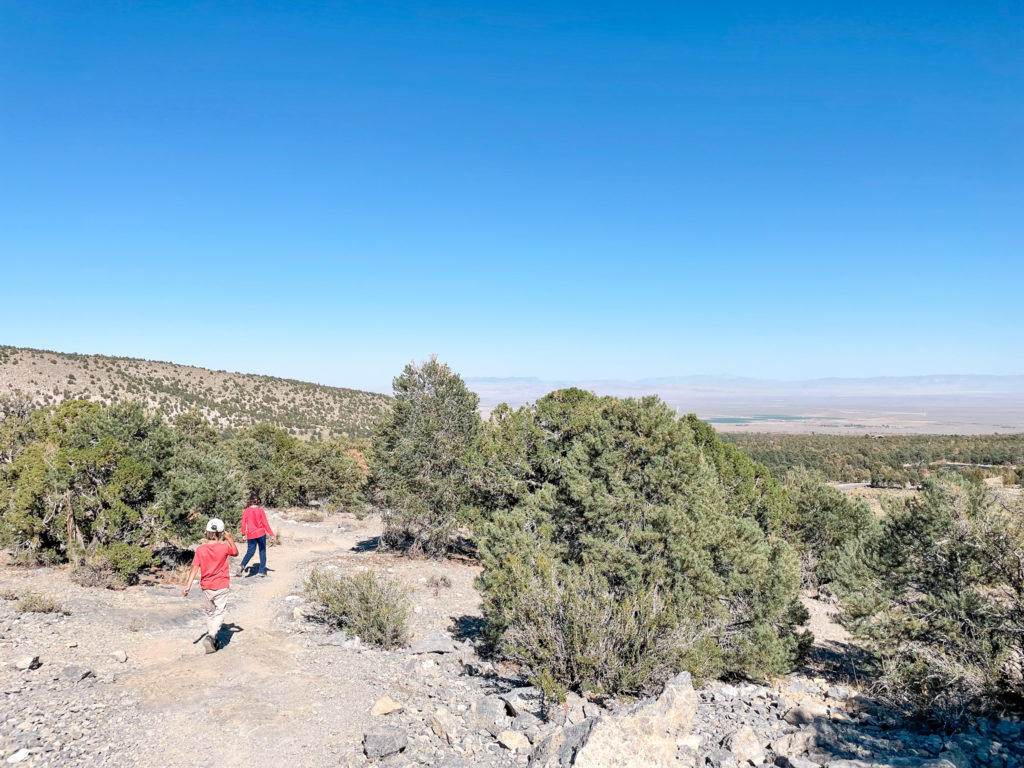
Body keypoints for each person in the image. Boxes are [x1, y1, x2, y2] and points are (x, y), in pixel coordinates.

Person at [182, 518, 238, 653]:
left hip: (206, 586)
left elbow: (194, 568)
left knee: (209, 611)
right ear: (221, 533)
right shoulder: (224, 547)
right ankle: (212, 635)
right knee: (220, 611)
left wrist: (188, 586)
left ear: (206, 533)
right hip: (221, 584)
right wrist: (229, 539)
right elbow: (235, 552)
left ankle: (211, 637)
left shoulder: (200, 549)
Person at [238, 494, 274, 578]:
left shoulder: (246, 511)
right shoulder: (260, 510)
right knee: (262, 551)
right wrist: (271, 534)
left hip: (251, 534)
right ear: (258, 501)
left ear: (250, 501)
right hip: (261, 533)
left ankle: (242, 565)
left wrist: (243, 533)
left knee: (250, 551)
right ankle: (261, 571)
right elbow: (265, 523)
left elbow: (243, 523)